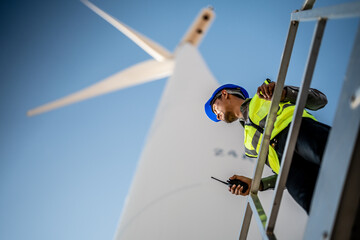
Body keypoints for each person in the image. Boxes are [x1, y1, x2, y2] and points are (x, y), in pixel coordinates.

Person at [204, 79, 330, 213]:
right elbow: (278, 173)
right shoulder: (248, 144)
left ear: (224, 94)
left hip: (298, 131)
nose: (217, 116)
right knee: (317, 208)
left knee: (337, 159)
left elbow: (320, 100)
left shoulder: (265, 94)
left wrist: (285, 93)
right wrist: (257, 184)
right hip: (288, 168)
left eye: (214, 108)